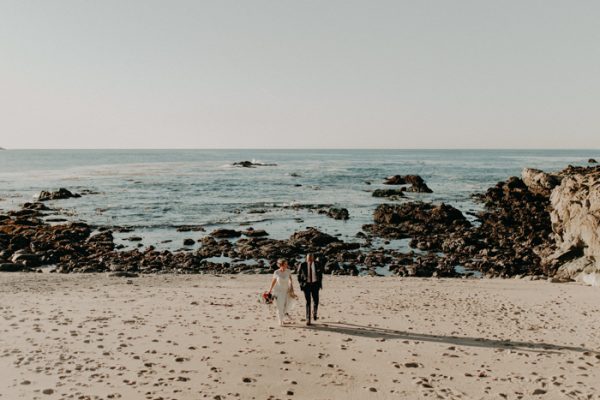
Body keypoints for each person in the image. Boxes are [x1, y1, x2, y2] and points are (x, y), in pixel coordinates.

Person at [267, 259, 297, 326]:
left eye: (287, 264)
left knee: (286, 306)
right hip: (279, 291)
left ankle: (283, 317)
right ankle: (281, 321)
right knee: (280, 306)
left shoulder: (288, 271)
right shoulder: (276, 272)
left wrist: (292, 290)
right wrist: (270, 290)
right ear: (281, 265)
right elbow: (273, 281)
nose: (287, 265)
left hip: (287, 291)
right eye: (285, 264)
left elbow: (291, 281)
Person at [297, 253, 323, 326]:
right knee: (308, 302)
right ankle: (308, 318)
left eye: (311, 259)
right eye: (309, 259)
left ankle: (314, 313)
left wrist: (319, 283)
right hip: (306, 285)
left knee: (316, 301)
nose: (310, 260)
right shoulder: (302, 265)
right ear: (306, 258)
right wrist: (301, 284)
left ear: (313, 258)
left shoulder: (318, 264)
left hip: (315, 285)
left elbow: (320, 274)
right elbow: (298, 275)